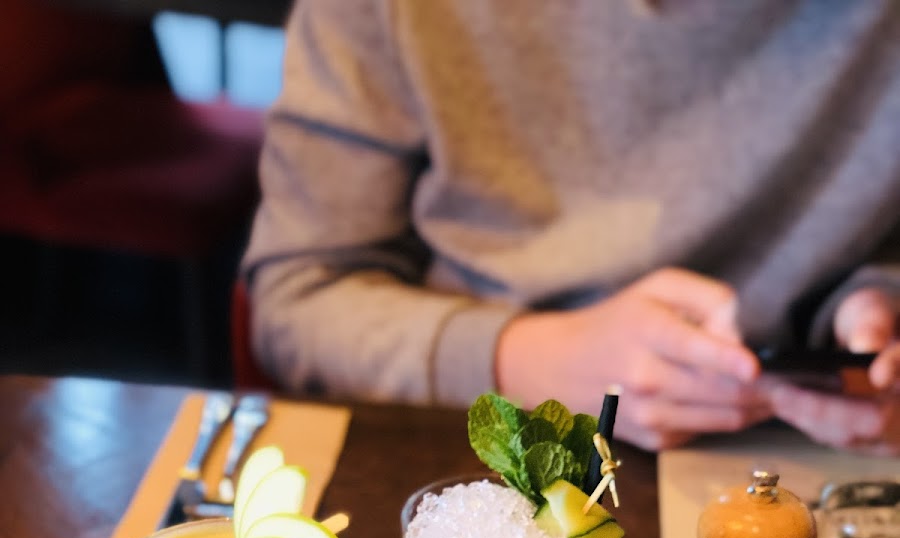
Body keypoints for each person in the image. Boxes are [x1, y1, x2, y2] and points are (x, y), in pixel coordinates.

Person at [242, 0, 900, 452]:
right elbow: (299, 297)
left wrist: (875, 301)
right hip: (474, 449)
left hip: (807, 466)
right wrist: (524, 360)